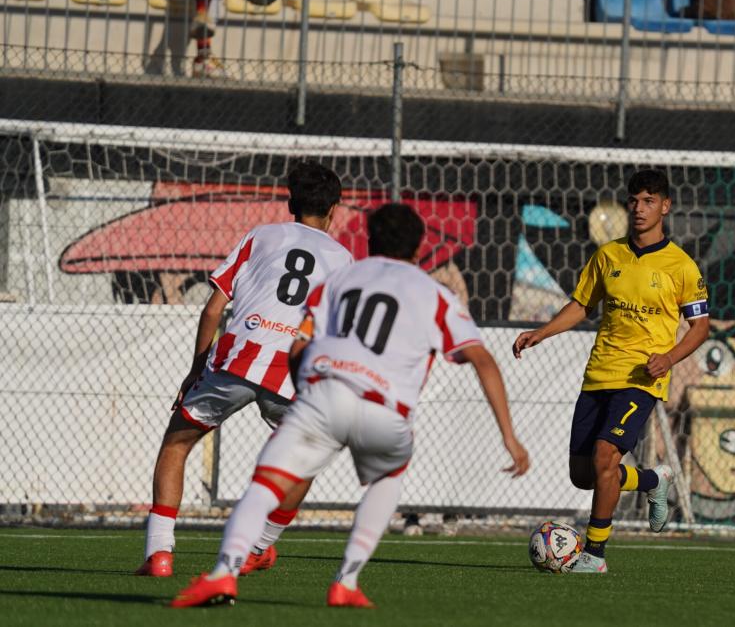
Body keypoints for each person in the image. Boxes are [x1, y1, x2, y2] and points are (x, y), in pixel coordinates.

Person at [171, 203, 530, 608]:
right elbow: (482, 360)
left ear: (371, 242)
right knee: (387, 476)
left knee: (266, 484)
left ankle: (224, 573)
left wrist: (305, 392)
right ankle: (347, 581)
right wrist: (509, 436)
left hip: (326, 395)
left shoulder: (339, 280)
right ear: (419, 249)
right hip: (384, 410)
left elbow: (301, 343)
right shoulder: (436, 295)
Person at [136, 161, 353, 578]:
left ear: (291, 203)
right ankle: (259, 547)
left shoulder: (260, 236)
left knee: (177, 444)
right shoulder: (343, 258)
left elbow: (214, 307)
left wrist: (196, 370)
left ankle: (159, 554)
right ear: (333, 210)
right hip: (292, 370)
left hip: (237, 358)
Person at [512, 169, 710, 573]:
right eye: (634, 200)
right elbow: (583, 304)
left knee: (605, 458)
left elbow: (701, 326)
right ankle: (653, 481)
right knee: (585, 475)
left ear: (665, 206)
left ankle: (595, 555)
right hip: (599, 373)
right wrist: (542, 332)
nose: (639, 208)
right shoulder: (608, 256)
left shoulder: (682, 266)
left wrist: (669, 359)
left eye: (649, 201)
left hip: (642, 379)